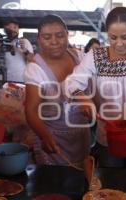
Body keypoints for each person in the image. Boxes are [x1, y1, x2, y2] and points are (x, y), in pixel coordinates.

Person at [66, 7, 126, 169]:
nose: (118, 44)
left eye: (125, 37)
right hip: (108, 134)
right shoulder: (96, 56)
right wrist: (82, 98)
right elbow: (73, 82)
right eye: (112, 37)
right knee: (110, 183)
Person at [24, 14, 90, 167]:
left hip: (81, 136)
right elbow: (31, 111)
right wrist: (45, 136)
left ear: (67, 35)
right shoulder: (35, 69)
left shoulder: (79, 57)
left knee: (82, 181)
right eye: (47, 37)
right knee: (54, 185)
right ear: (39, 39)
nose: (54, 42)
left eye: (60, 36)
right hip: (52, 139)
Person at [3, 18, 33, 82]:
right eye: (10, 27)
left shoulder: (24, 41)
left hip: (22, 79)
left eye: (15, 27)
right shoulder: (3, 43)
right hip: (6, 80)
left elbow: (32, 59)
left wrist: (24, 49)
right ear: (5, 29)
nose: (13, 30)